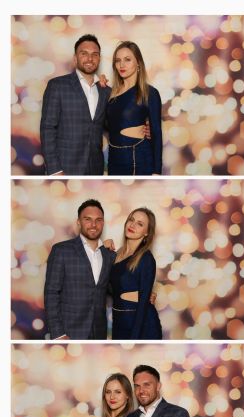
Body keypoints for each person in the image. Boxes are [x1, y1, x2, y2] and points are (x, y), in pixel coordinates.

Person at [44, 199, 116, 339]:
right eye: (87, 219)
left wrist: (144, 293)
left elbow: (116, 289)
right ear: (78, 222)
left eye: (98, 220)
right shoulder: (61, 250)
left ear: (103, 223)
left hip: (99, 333)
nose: (93, 224)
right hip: (69, 333)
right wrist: (58, 334)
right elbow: (51, 293)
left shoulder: (109, 256)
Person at [40, 34, 110, 176]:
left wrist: (141, 126)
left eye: (94, 54)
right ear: (75, 58)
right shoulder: (57, 86)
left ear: (99, 59)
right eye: (84, 54)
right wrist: (54, 170)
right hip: (65, 167)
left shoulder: (106, 91)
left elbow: (110, 125)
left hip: (96, 169)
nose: (90, 58)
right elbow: (47, 128)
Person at [106, 41, 162, 175]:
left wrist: (157, 172)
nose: (122, 65)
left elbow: (156, 134)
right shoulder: (110, 93)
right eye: (118, 60)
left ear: (138, 63)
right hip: (113, 159)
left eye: (127, 60)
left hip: (138, 157)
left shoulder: (149, 92)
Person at [109, 208, 162, 339]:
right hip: (119, 322)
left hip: (142, 327)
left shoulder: (146, 259)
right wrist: (101, 249)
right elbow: (106, 288)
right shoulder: (115, 255)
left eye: (140, 224)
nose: (132, 225)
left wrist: (134, 340)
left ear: (147, 232)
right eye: (131, 220)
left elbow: (143, 306)